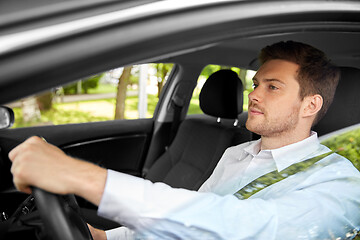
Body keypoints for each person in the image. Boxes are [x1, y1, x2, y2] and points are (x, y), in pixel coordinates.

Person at [9, 41, 360, 239]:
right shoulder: (238, 153)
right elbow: (190, 219)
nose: (254, 95)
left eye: (273, 87)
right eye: (256, 84)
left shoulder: (340, 184)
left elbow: (240, 227)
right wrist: (105, 237)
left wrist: (79, 176)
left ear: (310, 105)